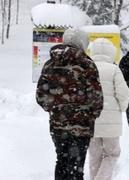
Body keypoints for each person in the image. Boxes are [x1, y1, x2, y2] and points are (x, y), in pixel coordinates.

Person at [36, 28, 104, 180]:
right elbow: (97, 98)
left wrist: (56, 110)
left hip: (58, 125)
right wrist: (90, 114)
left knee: (62, 160)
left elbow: (40, 96)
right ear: (82, 43)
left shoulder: (50, 64)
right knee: (76, 165)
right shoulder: (87, 65)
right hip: (82, 125)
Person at [88, 38, 129, 180]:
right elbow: (123, 93)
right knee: (112, 154)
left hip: (90, 120)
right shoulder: (114, 69)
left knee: (94, 155)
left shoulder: (87, 68)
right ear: (111, 52)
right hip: (111, 121)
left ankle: (95, 177)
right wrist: (123, 107)